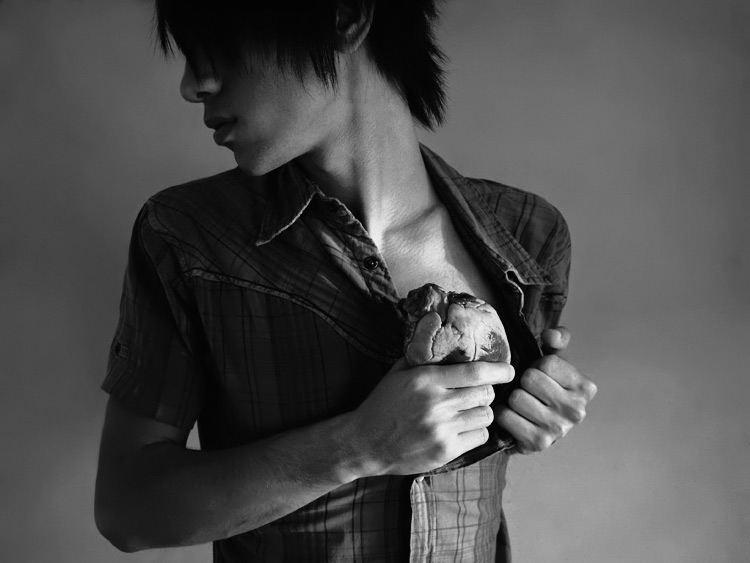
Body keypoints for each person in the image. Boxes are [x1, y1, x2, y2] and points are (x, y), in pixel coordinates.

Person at [94, 1, 598, 561]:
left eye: (219, 40)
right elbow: (126, 510)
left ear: (345, 16)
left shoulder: (529, 235)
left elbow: (479, 460)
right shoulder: (189, 237)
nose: (194, 85)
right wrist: (359, 446)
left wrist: (533, 410)